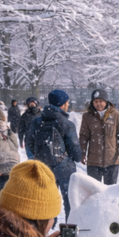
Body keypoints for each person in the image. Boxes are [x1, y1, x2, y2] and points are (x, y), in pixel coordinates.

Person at [25, 89, 82, 220]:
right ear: (63, 104)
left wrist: (36, 160)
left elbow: (29, 144)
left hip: (43, 169)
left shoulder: (37, 122)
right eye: (67, 102)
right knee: (70, 203)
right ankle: (69, 228)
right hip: (65, 170)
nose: (68, 104)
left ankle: (45, 227)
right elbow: (76, 153)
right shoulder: (67, 124)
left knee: (46, 202)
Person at [79, 89, 119, 186]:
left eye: (101, 101)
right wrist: (82, 153)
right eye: (95, 101)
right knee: (93, 189)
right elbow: (83, 136)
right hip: (93, 161)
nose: (98, 104)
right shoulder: (87, 116)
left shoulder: (116, 115)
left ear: (106, 101)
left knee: (110, 189)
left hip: (112, 160)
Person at [0, 108, 20, 195]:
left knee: (2, 192)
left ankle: (2, 202)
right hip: (14, 161)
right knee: (13, 191)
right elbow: (16, 147)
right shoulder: (7, 128)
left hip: (2, 163)